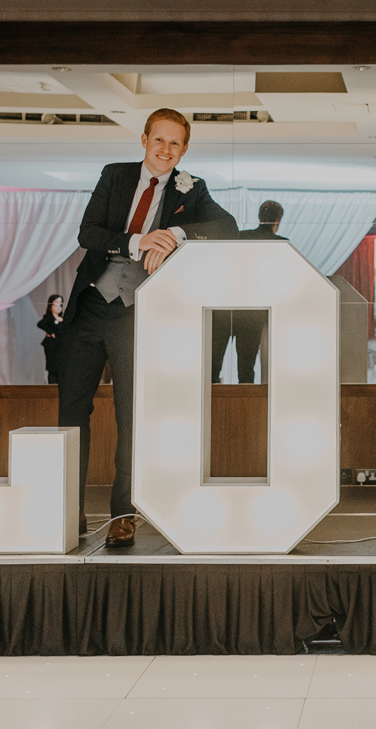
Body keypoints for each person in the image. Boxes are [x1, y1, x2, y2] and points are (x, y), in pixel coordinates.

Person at [57, 107, 237, 546]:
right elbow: (87, 233)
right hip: (90, 305)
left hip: (139, 313)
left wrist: (175, 235)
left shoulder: (192, 188)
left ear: (184, 149)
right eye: (159, 140)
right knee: (72, 412)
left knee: (132, 414)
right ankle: (68, 508)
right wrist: (137, 241)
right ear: (144, 140)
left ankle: (124, 513)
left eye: (175, 143)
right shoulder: (115, 175)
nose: (166, 150)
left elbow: (227, 226)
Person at [211, 200, 288, 384]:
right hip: (253, 313)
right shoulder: (282, 245)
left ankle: (210, 400)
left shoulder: (240, 237)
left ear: (259, 216)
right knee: (246, 369)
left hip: (225, 308)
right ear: (278, 220)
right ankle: (246, 402)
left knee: (212, 366)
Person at [37, 294, 64, 383]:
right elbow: (40, 324)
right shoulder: (49, 317)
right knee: (52, 368)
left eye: (60, 303)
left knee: (61, 369)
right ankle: (51, 388)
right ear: (51, 305)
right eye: (56, 303)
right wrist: (50, 332)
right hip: (52, 346)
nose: (58, 306)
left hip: (62, 346)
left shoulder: (63, 318)